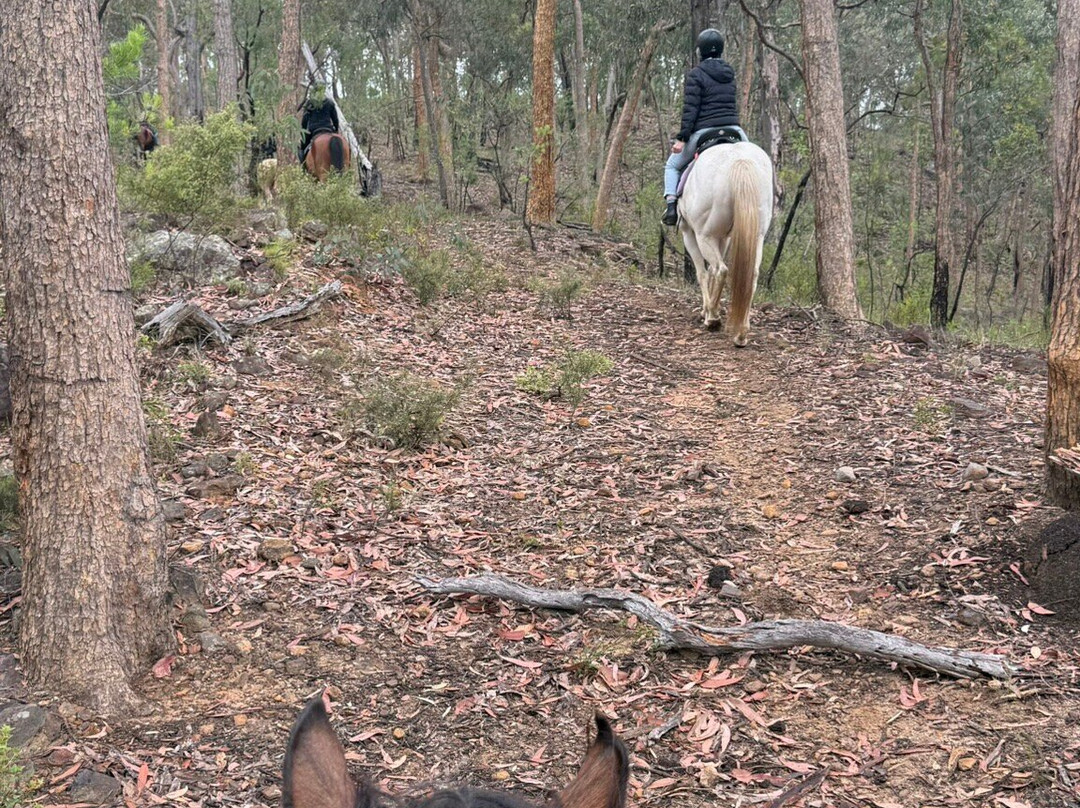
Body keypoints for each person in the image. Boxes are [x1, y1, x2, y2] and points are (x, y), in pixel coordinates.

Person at [662, 28, 748, 226]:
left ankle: (671, 207)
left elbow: (690, 110)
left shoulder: (696, 74)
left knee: (672, 165)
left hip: (704, 131)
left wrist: (682, 139)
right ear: (721, 50)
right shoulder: (729, 73)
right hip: (734, 129)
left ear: (700, 51)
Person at [297, 85, 340, 163]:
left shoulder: (310, 102)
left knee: (302, 148)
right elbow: (335, 119)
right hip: (328, 128)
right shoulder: (330, 102)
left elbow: (304, 121)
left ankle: (303, 165)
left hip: (313, 130)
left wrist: (303, 132)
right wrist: (336, 129)